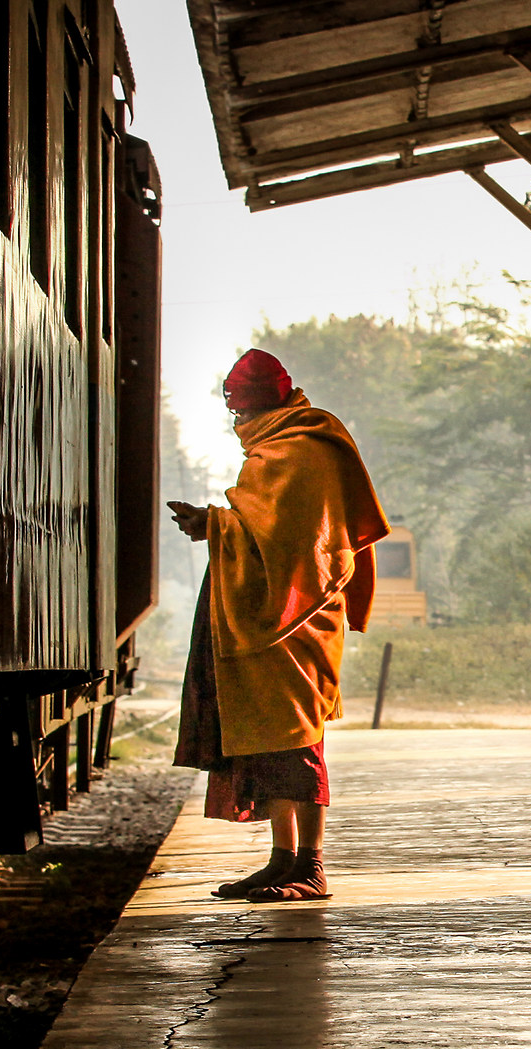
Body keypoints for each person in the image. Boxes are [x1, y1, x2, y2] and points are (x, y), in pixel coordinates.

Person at [169, 349, 392, 903]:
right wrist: (219, 525)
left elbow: (292, 545)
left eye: (239, 414)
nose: (238, 427)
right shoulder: (284, 447)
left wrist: (212, 524)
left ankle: (310, 867)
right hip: (270, 616)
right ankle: (281, 860)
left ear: (256, 408)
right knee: (269, 742)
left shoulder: (299, 451)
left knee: (298, 742)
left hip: (299, 618)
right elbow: (264, 529)